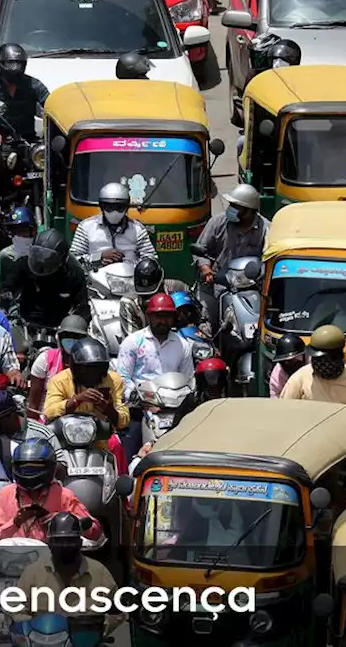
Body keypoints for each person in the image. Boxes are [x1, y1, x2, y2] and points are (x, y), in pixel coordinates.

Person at [0, 43, 48, 257]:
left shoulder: (33, 85)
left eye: (18, 64)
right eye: (10, 64)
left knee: (50, 184)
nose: (14, 69)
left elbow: (50, 103)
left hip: (27, 144)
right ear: (0, 65)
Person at [13, 512, 123, 636]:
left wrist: (98, 630)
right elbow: (17, 611)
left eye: (70, 540)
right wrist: (34, 630)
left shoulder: (99, 573)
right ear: (49, 544)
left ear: (80, 543)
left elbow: (118, 613)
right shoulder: (33, 573)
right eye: (59, 541)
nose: (65, 546)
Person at [115, 293, 192, 461]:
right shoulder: (133, 342)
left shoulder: (182, 345)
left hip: (172, 410)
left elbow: (188, 381)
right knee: (126, 455)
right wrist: (139, 399)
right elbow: (122, 378)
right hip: (138, 409)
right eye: (158, 316)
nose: (162, 321)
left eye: (167, 316)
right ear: (149, 316)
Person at [0, 439, 101, 543]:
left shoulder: (63, 495)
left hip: (53, 559)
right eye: (25, 467)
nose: (30, 472)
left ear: (50, 467)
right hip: (15, 559)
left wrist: (63, 522)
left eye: (35, 467)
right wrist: (15, 522)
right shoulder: (6, 494)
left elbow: (95, 532)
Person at [192, 184, 269, 333]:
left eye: (236, 206)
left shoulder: (265, 229)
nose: (231, 209)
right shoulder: (217, 222)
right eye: (231, 205)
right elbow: (200, 248)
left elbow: (268, 258)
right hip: (216, 283)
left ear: (250, 211)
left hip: (250, 288)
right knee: (207, 325)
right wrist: (206, 268)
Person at [1, 228, 89, 344]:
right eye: (37, 255)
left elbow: (82, 307)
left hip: (59, 330)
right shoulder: (22, 265)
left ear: (62, 259)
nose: (41, 263)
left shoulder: (73, 274)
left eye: (48, 259)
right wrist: (11, 310)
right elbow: (6, 290)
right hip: (25, 327)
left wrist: (74, 326)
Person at [42, 337, 128, 452]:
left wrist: (109, 410)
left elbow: (124, 420)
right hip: (66, 443)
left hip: (100, 442)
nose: (91, 373)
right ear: (75, 367)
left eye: (96, 368)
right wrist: (77, 400)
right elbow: (49, 412)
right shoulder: (59, 380)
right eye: (86, 368)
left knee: (116, 447)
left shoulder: (114, 380)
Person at [69, 182, 158, 269]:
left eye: (119, 208)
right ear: (102, 206)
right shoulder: (86, 227)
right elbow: (73, 260)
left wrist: (125, 264)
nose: (114, 212)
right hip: (94, 280)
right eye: (109, 207)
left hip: (129, 280)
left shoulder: (137, 229)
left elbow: (151, 261)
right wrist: (98, 258)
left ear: (126, 207)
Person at [25, 315, 88, 419]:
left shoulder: (91, 362)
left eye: (76, 336)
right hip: (47, 419)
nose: (72, 340)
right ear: (60, 337)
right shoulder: (45, 359)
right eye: (67, 335)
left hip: (81, 419)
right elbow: (33, 404)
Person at [0, 207, 35, 315]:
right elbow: (2, 287)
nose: (21, 236)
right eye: (17, 232)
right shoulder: (5, 256)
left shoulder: (39, 253)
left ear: (33, 231)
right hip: (16, 306)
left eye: (24, 231)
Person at [119, 257, 166, 333]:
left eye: (151, 294)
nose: (148, 299)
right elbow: (132, 342)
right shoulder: (128, 303)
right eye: (144, 295)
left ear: (161, 283)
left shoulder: (176, 292)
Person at [267, 332, 305, 397]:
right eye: (283, 361)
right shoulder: (277, 376)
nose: (286, 363)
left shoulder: (312, 364)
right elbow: (275, 398)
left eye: (290, 360)